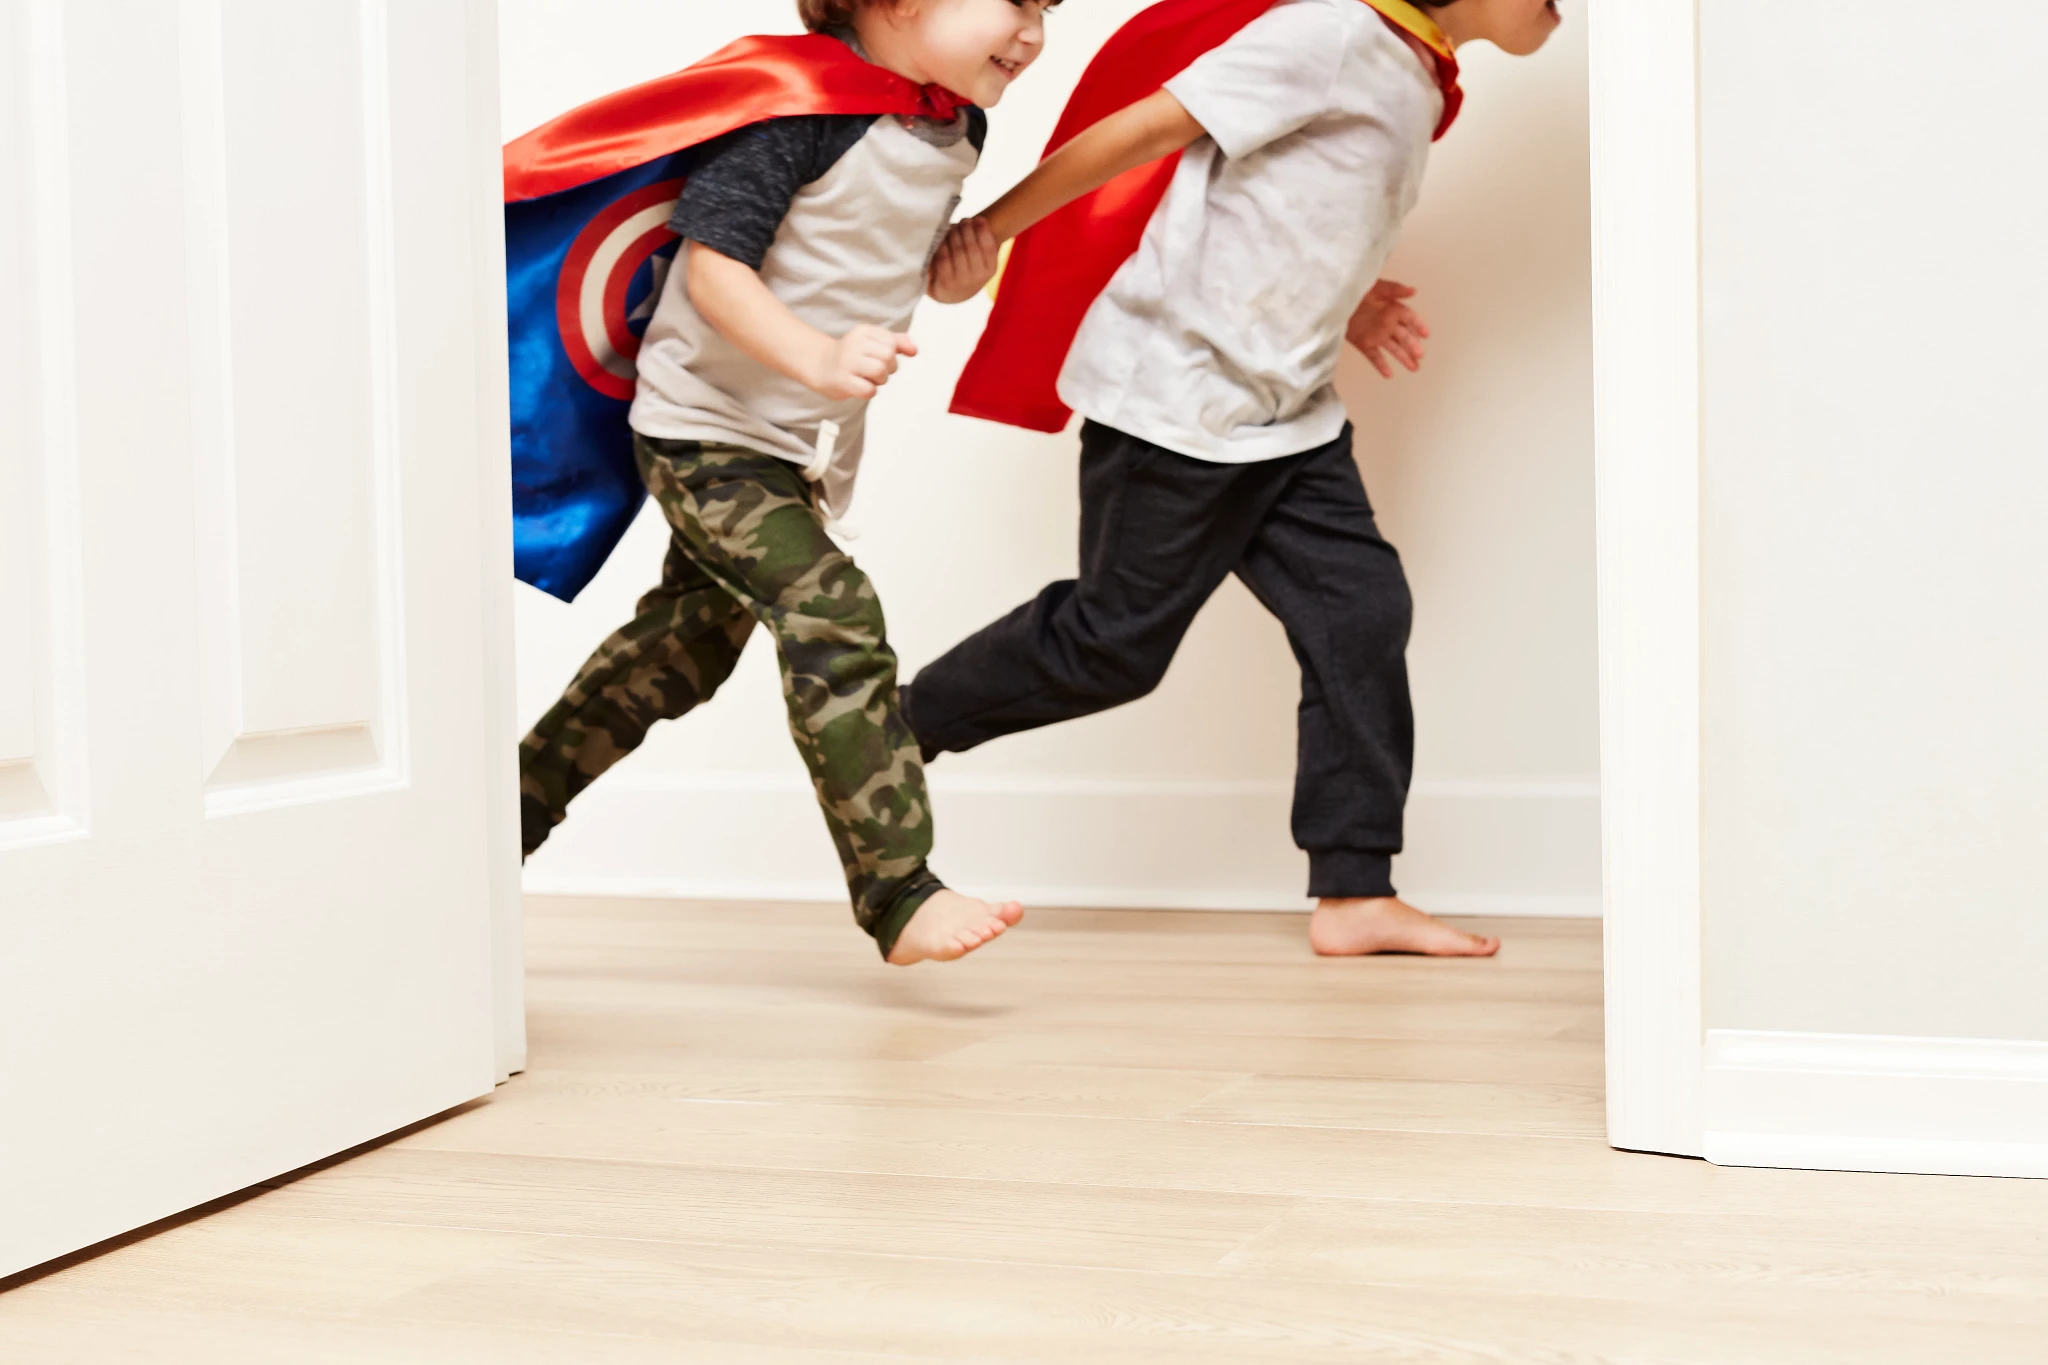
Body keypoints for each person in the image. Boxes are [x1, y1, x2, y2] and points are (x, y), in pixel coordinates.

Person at [905, 0, 1566, 957]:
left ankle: (1354, 889)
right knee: (1112, 645)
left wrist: (1352, 298)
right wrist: (992, 232)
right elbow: (1144, 130)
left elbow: (1287, 210)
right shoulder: (1331, 34)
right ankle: (886, 727)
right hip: (1176, 401)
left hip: (1285, 415)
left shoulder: (1411, 72)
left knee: (1360, 614)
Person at [519, 0, 1059, 965]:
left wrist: (954, 272)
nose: (1033, 33)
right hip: (704, 432)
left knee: (675, 656)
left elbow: (893, 260)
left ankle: (489, 828)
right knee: (832, 614)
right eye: (1014, 1)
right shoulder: (796, 109)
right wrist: (815, 356)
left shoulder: (956, 127)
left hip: (793, 447)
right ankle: (900, 892)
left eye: (1048, 10)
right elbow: (717, 274)